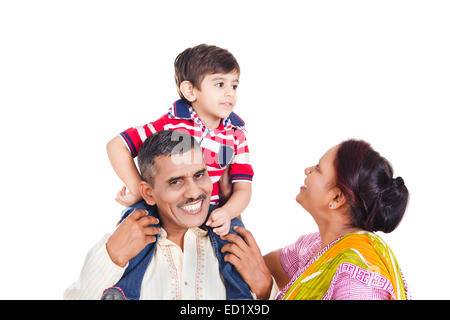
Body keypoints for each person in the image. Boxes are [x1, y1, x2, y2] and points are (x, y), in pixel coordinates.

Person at [64, 131, 277, 300]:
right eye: (176, 181)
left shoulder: (234, 245)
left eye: (199, 175)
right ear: (148, 193)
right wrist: (112, 257)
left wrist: (266, 289)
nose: (194, 192)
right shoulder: (121, 246)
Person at [221, 139, 411, 300]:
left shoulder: (358, 280)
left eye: (318, 168)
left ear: (336, 198)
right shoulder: (314, 246)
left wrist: (266, 290)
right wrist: (231, 206)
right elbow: (253, 268)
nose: (308, 170)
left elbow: (261, 280)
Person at [106, 44, 253, 236]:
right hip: (165, 211)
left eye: (234, 85)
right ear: (190, 91)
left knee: (237, 241)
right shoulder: (171, 124)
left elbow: (243, 189)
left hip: (209, 210)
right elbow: (117, 146)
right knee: (133, 225)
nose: (230, 93)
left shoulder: (236, 134)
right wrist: (136, 190)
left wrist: (226, 212)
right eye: (219, 84)